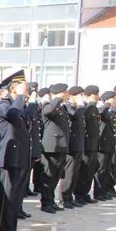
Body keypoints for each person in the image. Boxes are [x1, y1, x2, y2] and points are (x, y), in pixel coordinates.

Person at [0, 70, 31, 231]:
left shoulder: (18, 104)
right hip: (8, 159)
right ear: (13, 88)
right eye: (23, 87)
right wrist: (21, 96)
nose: (27, 89)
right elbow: (13, 115)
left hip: (20, 158)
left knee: (15, 201)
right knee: (6, 201)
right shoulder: (3, 104)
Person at [40, 83, 71, 213]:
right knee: (49, 174)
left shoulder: (61, 107)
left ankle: (51, 200)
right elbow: (48, 111)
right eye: (65, 92)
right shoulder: (48, 105)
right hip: (51, 147)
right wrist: (57, 98)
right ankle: (45, 202)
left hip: (61, 146)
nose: (67, 95)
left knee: (56, 176)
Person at [74, 85, 102, 204]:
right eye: (96, 95)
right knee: (84, 172)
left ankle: (85, 193)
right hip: (87, 145)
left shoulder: (93, 108)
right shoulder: (86, 107)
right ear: (91, 95)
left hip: (94, 145)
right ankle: (79, 194)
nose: (98, 97)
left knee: (90, 171)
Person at [61, 86, 86, 208]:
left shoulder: (78, 107)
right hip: (71, 144)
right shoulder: (67, 106)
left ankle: (70, 197)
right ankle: (64, 198)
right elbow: (74, 117)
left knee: (75, 173)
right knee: (69, 173)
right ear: (73, 95)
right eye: (79, 95)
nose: (81, 98)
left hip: (79, 144)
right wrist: (81, 106)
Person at [94, 91, 116, 200]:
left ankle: (103, 191)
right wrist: (107, 104)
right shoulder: (102, 108)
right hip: (102, 144)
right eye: (114, 99)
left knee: (107, 169)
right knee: (101, 169)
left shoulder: (111, 111)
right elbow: (100, 113)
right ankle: (98, 192)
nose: (115, 101)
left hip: (109, 143)